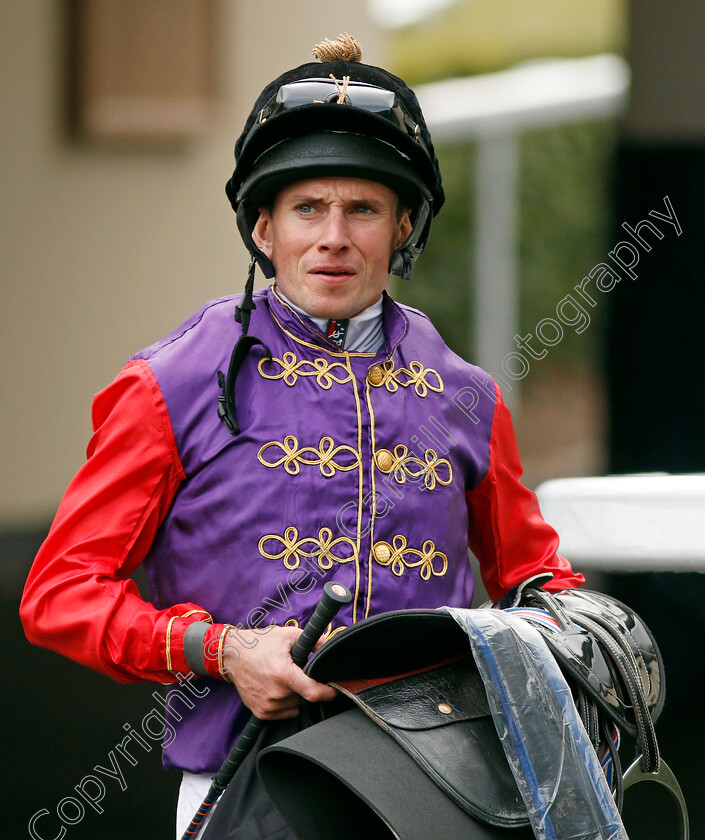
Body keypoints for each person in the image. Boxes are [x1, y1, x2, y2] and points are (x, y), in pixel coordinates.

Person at [20, 33, 584, 838]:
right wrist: (222, 651)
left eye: (362, 209)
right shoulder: (169, 384)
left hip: (440, 781)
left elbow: (532, 575)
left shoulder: (467, 395)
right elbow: (58, 596)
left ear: (403, 228)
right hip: (245, 778)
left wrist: (574, 622)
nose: (333, 236)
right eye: (307, 208)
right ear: (262, 229)